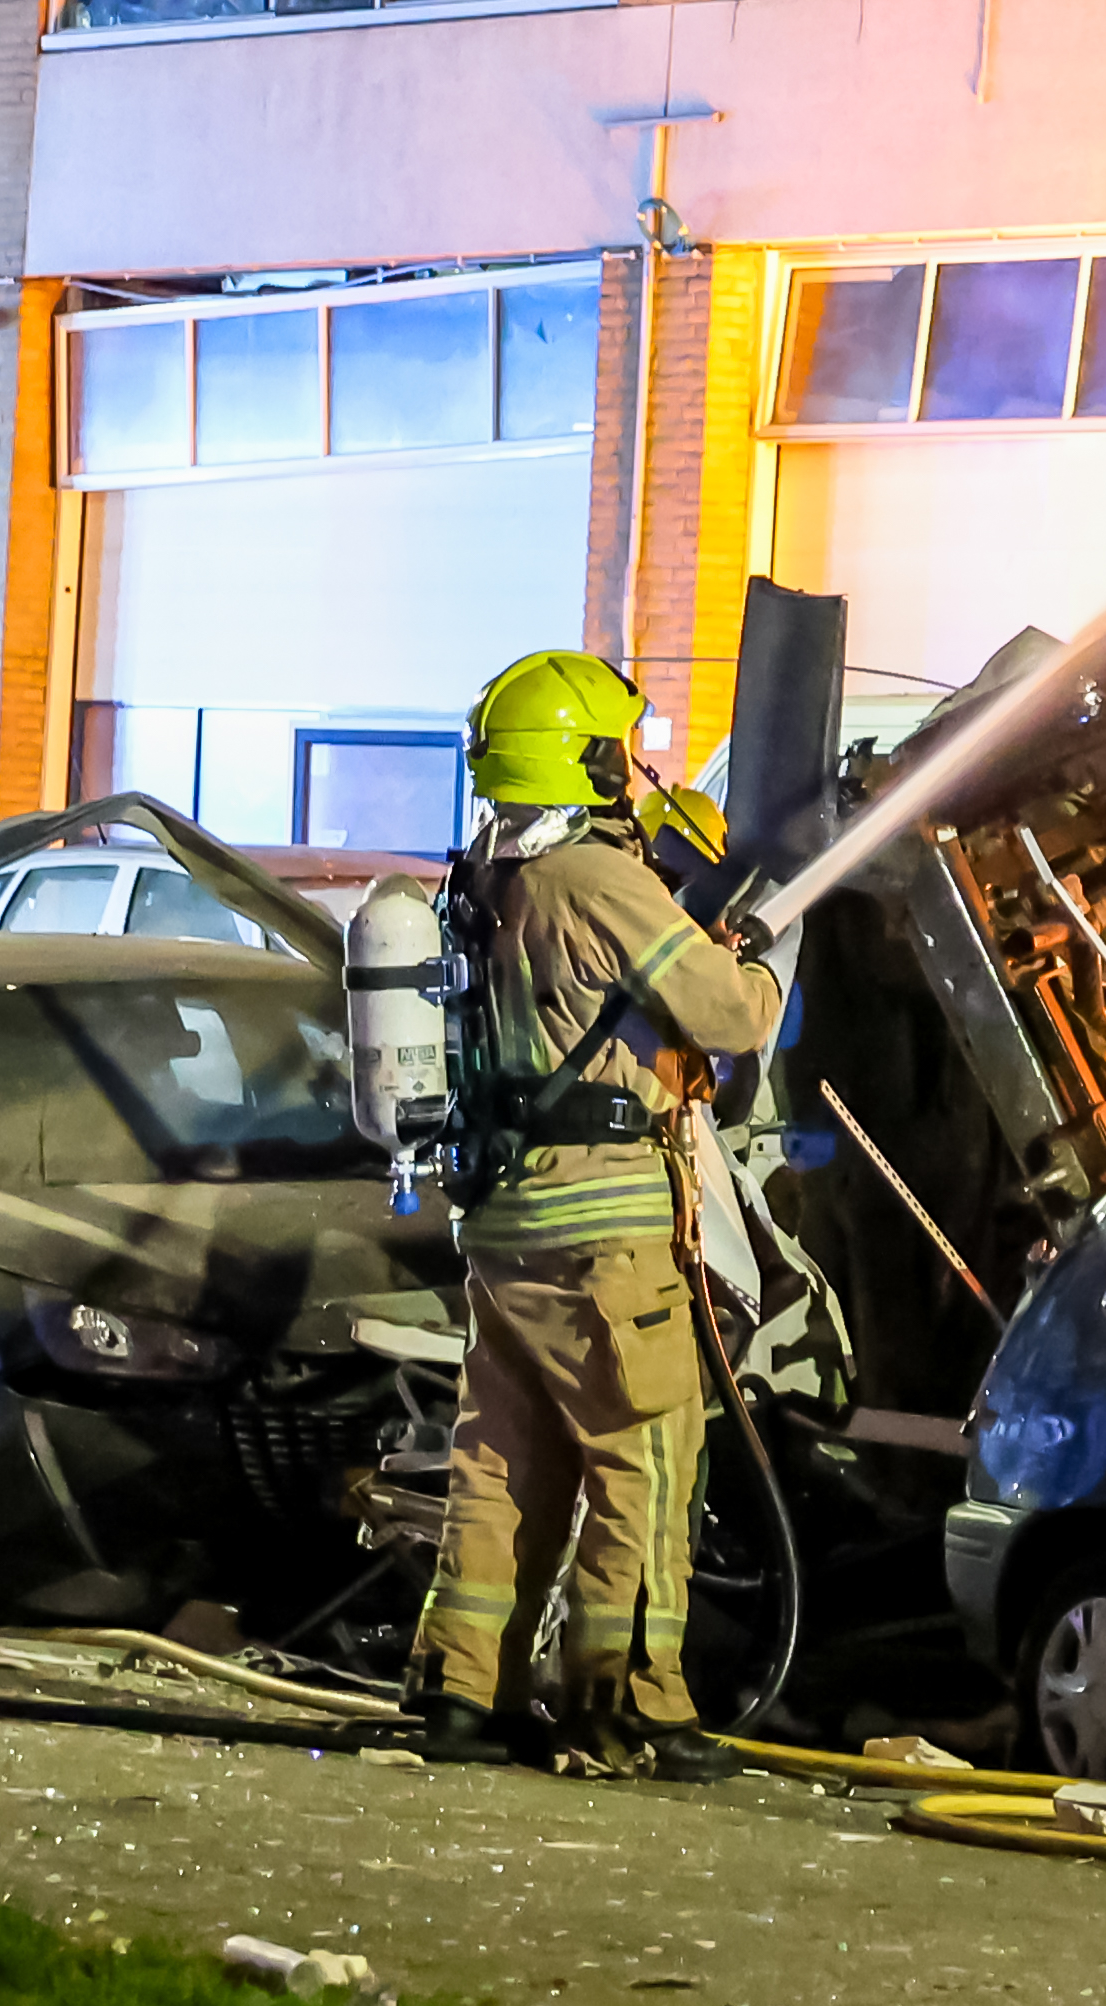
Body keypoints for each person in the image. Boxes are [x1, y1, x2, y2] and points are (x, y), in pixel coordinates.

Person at [406, 648, 781, 1780]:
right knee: (645, 1461)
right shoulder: (598, 878)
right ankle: (629, 1704)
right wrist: (758, 956)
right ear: (596, 753)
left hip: (505, 1226)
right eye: (628, 742)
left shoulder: (478, 872)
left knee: (503, 1460)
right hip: (607, 1233)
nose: (641, 762)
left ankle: (465, 1692)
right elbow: (726, 1013)